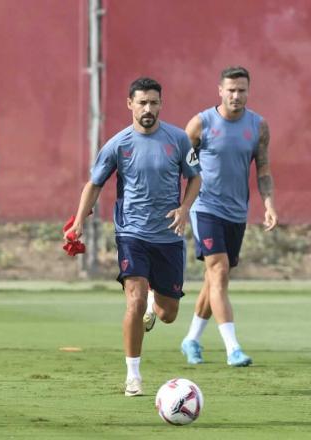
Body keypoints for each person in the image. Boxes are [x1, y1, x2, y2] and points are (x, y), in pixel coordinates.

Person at [66, 77, 201, 396]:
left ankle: (157, 300)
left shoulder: (179, 139)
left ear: (161, 104)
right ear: (130, 104)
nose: (148, 108)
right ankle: (133, 376)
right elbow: (94, 184)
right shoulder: (118, 144)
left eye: (154, 102)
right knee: (135, 301)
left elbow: (195, 179)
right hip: (132, 234)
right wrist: (79, 220)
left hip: (168, 238)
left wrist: (184, 209)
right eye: (142, 102)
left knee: (168, 315)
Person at [179, 66, 278, 367]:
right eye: (231, 90)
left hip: (237, 213)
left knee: (214, 281)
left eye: (242, 90)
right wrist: (179, 206)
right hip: (205, 207)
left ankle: (191, 339)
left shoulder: (258, 126)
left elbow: (263, 169)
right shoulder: (201, 124)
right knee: (219, 271)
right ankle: (233, 348)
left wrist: (269, 204)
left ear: (249, 91)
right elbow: (178, 164)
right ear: (220, 90)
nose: (236, 95)